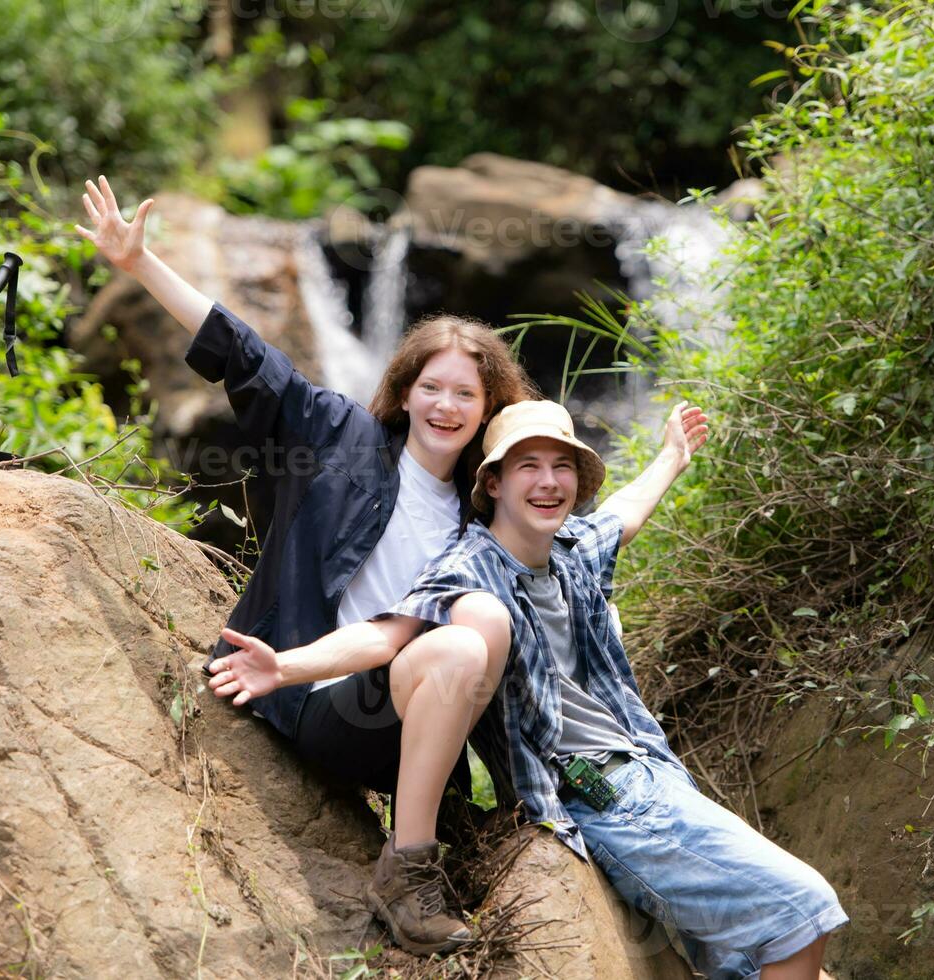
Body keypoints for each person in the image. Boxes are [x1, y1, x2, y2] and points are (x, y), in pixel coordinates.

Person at [214, 398, 848, 978]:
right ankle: (409, 863)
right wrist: (288, 668)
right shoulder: (467, 566)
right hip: (603, 794)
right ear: (492, 482)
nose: (548, 482)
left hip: (654, 772)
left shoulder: (570, 549)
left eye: (562, 466)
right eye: (528, 467)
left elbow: (624, 515)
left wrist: (671, 458)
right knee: (805, 911)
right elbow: (387, 637)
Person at [76, 176, 529, 955]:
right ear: (406, 390)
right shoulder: (339, 436)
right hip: (321, 700)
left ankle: (458, 822)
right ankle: (408, 872)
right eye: (433, 387)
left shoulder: (482, 517)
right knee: (453, 642)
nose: (447, 406)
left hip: (419, 722)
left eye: (467, 393)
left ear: (489, 410)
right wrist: (141, 264)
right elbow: (251, 358)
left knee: (482, 627)